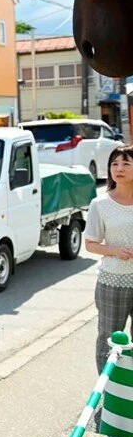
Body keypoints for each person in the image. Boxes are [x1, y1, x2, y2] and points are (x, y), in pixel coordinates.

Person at [85, 145, 133, 372]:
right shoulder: (100, 204)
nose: (119, 169)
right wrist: (114, 250)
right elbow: (90, 244)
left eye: (126, 163)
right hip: (113, 282)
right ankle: (106, 393)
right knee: (109, 339)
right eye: (114, 164)